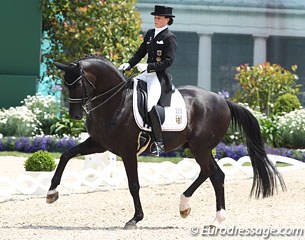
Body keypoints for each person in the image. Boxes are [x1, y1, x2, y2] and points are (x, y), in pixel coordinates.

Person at [119, 5, 177, 156]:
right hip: (145, 73)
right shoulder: (151, 34)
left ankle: (158, 142)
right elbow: (140, 52)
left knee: (150, 104)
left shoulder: (169, 38)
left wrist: (148, 66)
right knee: (126, 91)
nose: (155, 20)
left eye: (158, 18)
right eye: (155, 17)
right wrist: (129, 63)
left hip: (158, 77)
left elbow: (168, 61)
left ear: (167, 20)